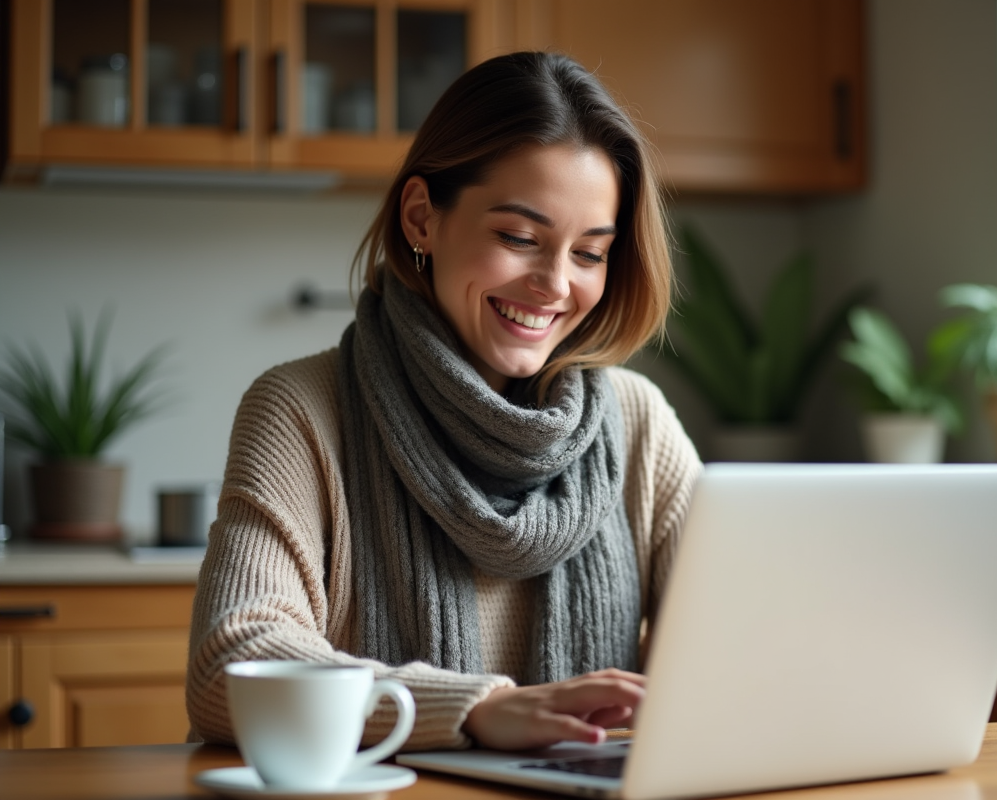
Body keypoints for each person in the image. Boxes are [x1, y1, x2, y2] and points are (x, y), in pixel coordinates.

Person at [185, 51, 702, 753]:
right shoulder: (301, 409)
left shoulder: (639, 425)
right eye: (519, 238)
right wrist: (472, 710)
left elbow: (736, 651)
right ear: (423, 218)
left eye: (589, 254)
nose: (555, 285)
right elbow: (234, 664)